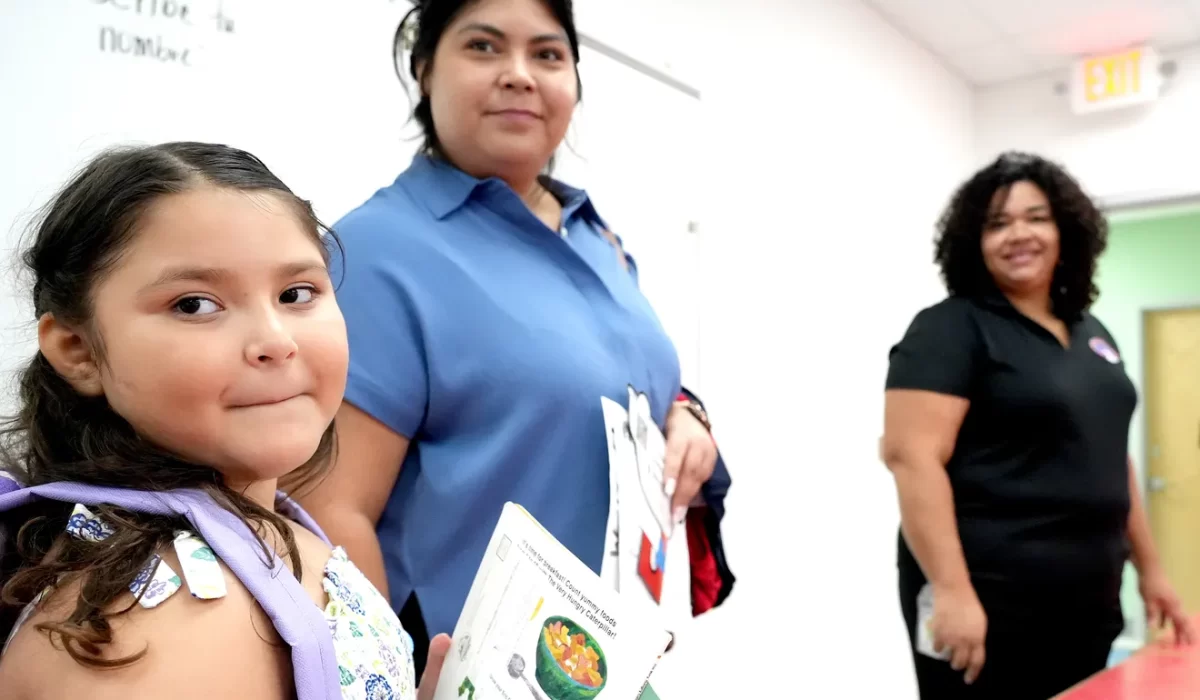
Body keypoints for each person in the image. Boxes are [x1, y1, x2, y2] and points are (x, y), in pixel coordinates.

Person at [295, 0, 730, 675]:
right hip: (465, 669)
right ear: (423, 71)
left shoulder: (595, 234)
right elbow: (334, 511)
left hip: (602, 660)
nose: (520, 75)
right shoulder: (378, 250)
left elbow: (621, 376)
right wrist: (386, 682)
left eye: (548, 55)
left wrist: (687, 413)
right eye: (484, 47)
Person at [0, 142, 449, 700]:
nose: (275, 342)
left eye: (296, 293)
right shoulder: (144, 633)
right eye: (194, 304)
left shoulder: (256, 519)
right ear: (78, 349)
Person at [881, 151, 1197, 699]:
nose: (1017, 234)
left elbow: (1109, 457)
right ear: (971, 241)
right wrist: (952, 592)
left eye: (1036, 217)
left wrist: (1152, 570)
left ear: (1065, 230)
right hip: (988, 602)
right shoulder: (950, 329)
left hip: (1086, 599)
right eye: (996, 223)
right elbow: (911, 458)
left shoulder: (1092, 333)